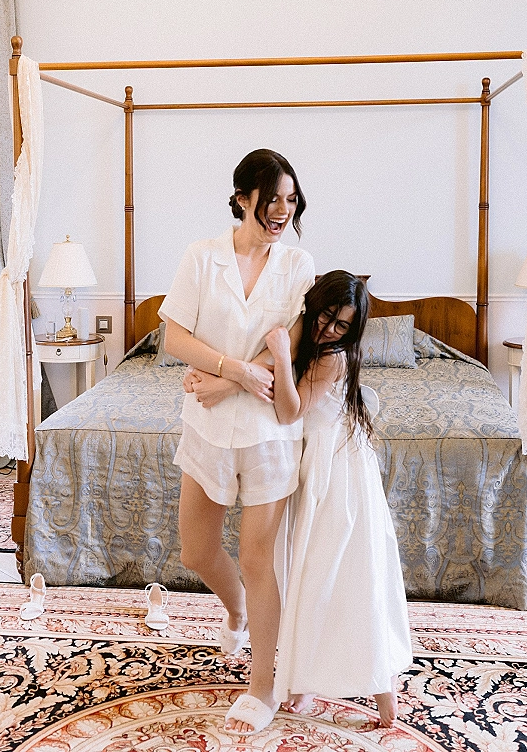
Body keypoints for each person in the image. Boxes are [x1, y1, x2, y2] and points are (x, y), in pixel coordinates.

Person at [159, 149, 315, 735]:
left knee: (257, 559)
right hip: (206, 427)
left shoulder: (299, 265)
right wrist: (235, 371)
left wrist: (231, 380)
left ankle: (262, 685)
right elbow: (174, 337)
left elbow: (289, 346)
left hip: (269, 433)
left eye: (291, 199)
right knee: (196, 551)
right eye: (272, 198)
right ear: (243, 197)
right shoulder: (202, 258)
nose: (282, 210)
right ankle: (237, 609)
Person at [265, 270, 412, 729]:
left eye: (342, 325)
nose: (330, 328)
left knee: (341, 573)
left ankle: (382, 691)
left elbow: (289, 409)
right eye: (327, 316)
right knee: (316, 572)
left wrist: (279, 356)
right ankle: (307, 678)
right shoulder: (310, 339)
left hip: (339, 473)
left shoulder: (332, 357)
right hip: (325, 465)